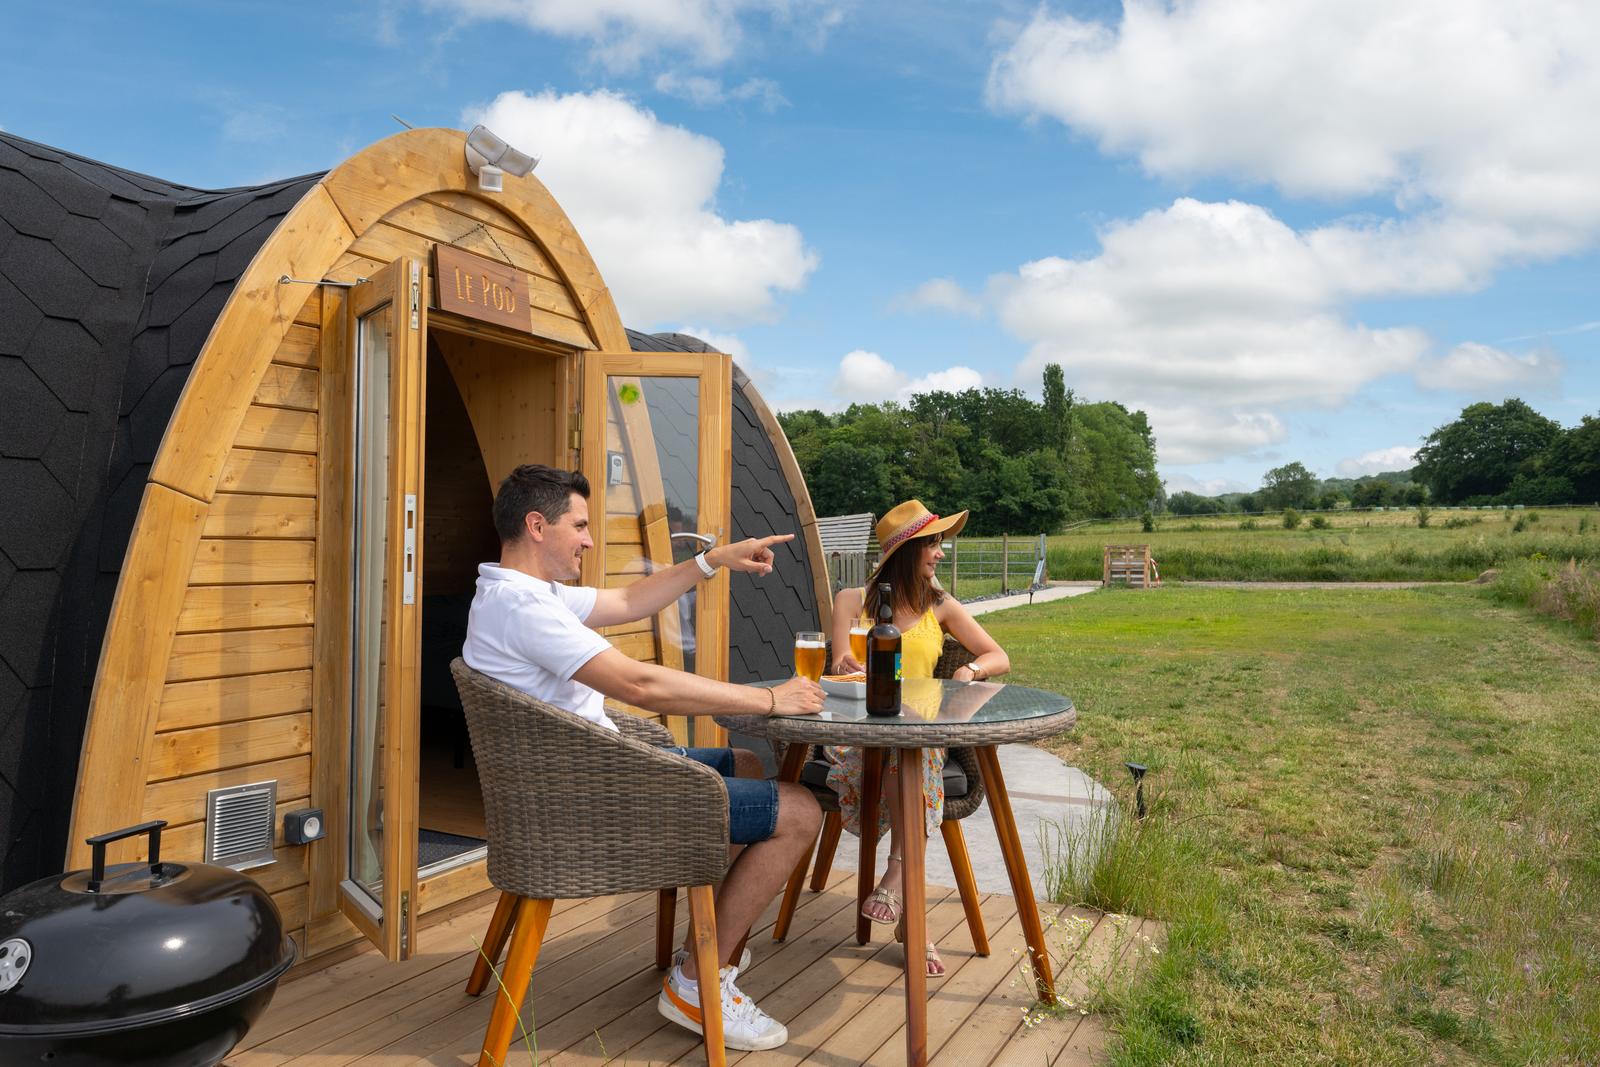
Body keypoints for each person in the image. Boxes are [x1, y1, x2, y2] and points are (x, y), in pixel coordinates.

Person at [463, 464, 824, 1052]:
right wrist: (769, 699)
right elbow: (639, 686)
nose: (587, 539)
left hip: (592, 774)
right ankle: (695, 980)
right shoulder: (522, 610)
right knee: (801, 810)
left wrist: (714, 560)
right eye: (578, 526)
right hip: (595, 803)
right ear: (537, 525)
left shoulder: (525, 593)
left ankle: (709, 943)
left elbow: (631, 598)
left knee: (745, 764)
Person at [826, 499, 1011, 978]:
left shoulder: (941, 606)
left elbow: (998, 656)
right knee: (906, 749)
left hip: (918, 737)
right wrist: (848, 664)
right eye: (933, 544)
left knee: (913, 747)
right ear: (908, 551)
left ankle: (896, 877)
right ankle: (911, 908)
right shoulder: (850, 601)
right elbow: (839, 668)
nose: (941, 554)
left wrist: (970, 669)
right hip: (855, 740)